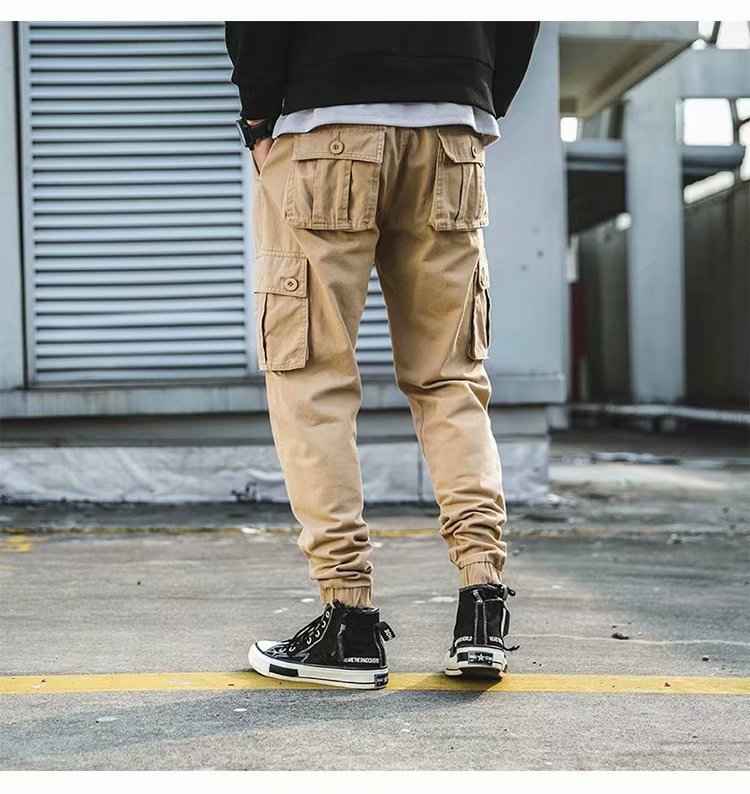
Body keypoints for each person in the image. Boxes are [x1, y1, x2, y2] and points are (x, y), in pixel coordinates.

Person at [225, 21, 539, 689]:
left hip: (323, 123)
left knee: (311, 377)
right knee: (451, 378)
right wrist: (475, 95)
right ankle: (482, 607)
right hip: (451, 127)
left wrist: (256, 117)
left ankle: (350, 619)